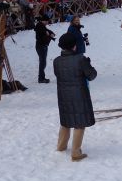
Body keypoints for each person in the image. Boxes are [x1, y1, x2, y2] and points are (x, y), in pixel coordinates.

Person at [53, 33, 97, 162]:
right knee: (79, 122)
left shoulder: (56, 61)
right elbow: (92, 76)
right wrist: (89, 64)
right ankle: (76, 153)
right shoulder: (80, 59)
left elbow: (59, 75)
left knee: (66, 120)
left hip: (63, 94)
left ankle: (61, 146)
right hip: (79, 94)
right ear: (74, 46)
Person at [34, 15, 55, 83]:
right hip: (41, 46)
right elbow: (40, 38)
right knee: (42, 62)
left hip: (43, 46)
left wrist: (50, 34)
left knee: (43, 62)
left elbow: (49, 31)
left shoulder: (42, 26)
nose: (47, 22)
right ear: (44, 20)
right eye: (47, 21)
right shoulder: (39, 26)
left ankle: (42, 77)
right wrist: (48, 35)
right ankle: (41, 78)